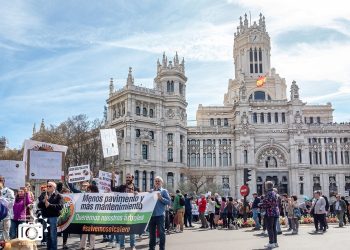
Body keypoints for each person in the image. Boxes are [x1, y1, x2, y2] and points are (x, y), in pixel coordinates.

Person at [111, 172, 139, 250]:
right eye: (126, 177)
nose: (127, 179)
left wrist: (138, 194)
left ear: (132, 178)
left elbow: (142, 198)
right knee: (122, 229)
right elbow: (113, 189)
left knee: (132, 230)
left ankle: (132, 245)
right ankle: (122, 246)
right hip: (122, 212)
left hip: (132, 212)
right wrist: (112, 179)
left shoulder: (136, 188)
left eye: (129, 177)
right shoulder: (122, 187)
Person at [37, 181, 64, 250]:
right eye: (47, 186)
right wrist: (43, 200)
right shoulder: (43, 194)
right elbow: (39, 205)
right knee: (47, 235)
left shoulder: (58, 195)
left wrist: (50, 205)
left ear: (54, 187)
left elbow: (60, 206)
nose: (48, 187)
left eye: (50, 186)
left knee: (53, 235)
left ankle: (53, 248)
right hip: (45, 216)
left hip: (53, 217)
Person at [149, 176, 170, 250]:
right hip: (151, 216)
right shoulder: (151, 191)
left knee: (161, 233)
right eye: (156, 181)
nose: (157, 182)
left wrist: (161, 198)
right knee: (151, 234)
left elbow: (169, 201)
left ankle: (162, 248)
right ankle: (151, 248)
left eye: (159, 181)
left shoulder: (164, 191)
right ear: (154, 182)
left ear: (161, 183)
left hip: (160, 215)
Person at [261, 181, 280, 249]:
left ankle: (271, 243)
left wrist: (261, 204)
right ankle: (275, 242)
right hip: (275, 212)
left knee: (269, 228)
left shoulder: (269, 193)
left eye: (265, 186)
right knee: (274, 228)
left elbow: (269, 203)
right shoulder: (274, 193)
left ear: (267, 186)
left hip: (270, 212)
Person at [79, 184, 99, 250]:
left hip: (93, 217)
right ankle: (82, 246)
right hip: (86, 217)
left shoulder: (98, 197)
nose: (88, 191)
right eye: (88, 190)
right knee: (84, 232)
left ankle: (92, 247)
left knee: (92, 233)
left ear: (93, 190)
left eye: (89, 190)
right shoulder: (86, 196)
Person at [0, 176, 15, 241]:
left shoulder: (9, 191)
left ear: (3, 182)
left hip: (6, 216)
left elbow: (11, 204)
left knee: (6, 234)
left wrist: (1, 198)